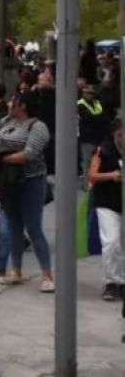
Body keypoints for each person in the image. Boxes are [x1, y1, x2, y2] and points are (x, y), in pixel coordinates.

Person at [0, 90, 54, 291]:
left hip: (31, 181)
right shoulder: (10, 121)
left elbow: (29, 154)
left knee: (33, 228)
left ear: (22, 105)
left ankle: (47, 275)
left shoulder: (38, 126)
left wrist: (0, 158)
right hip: (9, 182)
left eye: (13, 101)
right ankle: (16, 271)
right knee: (14, 227)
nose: (9, 104)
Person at [89, 119, 125, 301]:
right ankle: (111, 282)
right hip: (107, 202)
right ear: (114, 135)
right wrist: (112, 175)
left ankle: (121, 282)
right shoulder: (102, 150)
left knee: (122, 244)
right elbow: (92, 175)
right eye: (120, 135)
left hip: (122, 201)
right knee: (111, 242)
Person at [78, 84, 108, 182]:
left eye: (91, 93)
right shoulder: (80, 104)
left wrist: (96, 118)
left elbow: (104, 117)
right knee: (88, 162)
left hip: (99, 137)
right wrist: (98, 118)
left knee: (98, 161)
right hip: (87, 138)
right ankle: (88, 184)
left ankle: (96, 183)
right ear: (83, 93)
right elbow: (88, 117)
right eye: (87, 93)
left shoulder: (97, 103)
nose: (90, 95)